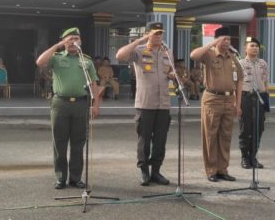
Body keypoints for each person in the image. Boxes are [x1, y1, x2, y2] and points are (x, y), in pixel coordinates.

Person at [36, 27, 103, 190]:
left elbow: (94, 83)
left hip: (81, 104)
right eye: (70, 38)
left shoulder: (86, 61)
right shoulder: (57, 58)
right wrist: (58, 45)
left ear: (81, 42)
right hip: (61, 104)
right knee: (59, 142)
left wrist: (96, 104)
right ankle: (60, 178)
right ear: (64, 41)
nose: (74, 42)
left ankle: (75, 178)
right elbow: (40, 62)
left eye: (76, 38)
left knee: (78, 143)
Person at [116, 22, 173, 186]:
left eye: (160, 33)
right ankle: (144, 171)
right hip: (145, 103)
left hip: (163, 103)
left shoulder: (167, 52)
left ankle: (156, 171)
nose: (158, 36)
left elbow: (170, 71)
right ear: (148, 34)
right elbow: (120, 55)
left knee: (160, 140)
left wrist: (173, 76)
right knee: (144, 139)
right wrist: (140, 40)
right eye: (155, 33)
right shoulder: (140, 51)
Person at [190, 27, 243, 182]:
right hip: (213, 99)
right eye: (223, 39)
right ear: (217, 39)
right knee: (210, 136)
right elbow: (193, 55)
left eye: (229, 39)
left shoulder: (233, 57)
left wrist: (238, 104)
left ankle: (222, 169)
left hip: (229, 100)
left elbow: (239, 80)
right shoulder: (209, 54)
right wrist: (212, 43)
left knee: (225, 136)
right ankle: (211, 170)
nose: (227, 42)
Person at [238, 37, 269, 169]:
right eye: (252, 45)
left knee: (259, 128)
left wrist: (267, 97)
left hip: (260, 98)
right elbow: (237, 84)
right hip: (246, 97)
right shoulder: (240, 63)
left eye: (256, 45)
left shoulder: (263, 63)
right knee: (246, 128)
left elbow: (265, 82)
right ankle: (245, 157)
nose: (255, 48)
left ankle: (253, 156)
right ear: (245, 48)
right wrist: (237, 103)